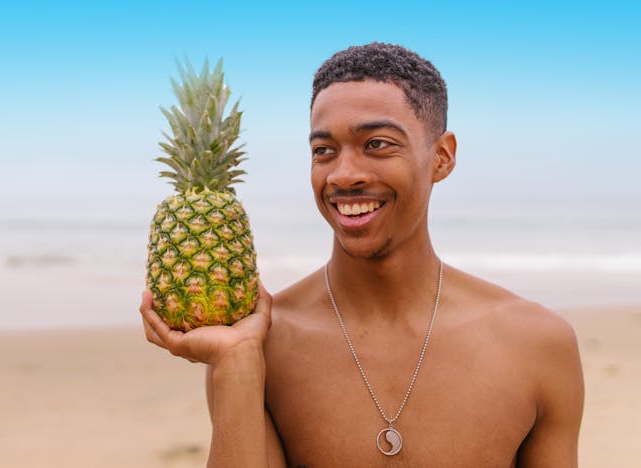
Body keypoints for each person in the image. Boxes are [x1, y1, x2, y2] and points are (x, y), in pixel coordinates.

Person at [141, 42, 584, 467]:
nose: (344, 174)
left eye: (377, 144)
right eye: (324, 151)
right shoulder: (258, 347)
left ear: (442, 157)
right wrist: (236, 365)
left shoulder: (537, 345)